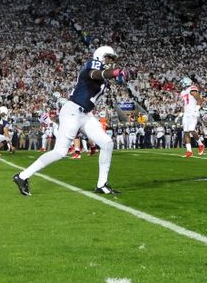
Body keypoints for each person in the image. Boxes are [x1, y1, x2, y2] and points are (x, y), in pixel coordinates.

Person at [12, 46, 129, 196]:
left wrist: (118, 76)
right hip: (73, 111)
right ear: (100, 57)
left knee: (107, 143)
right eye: (108, 58)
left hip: (86, 114)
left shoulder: (104, 75)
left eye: (112, 59)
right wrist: (115, 72)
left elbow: (106, 76)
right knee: (60, 152)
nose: (110, 62)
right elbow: (96, 74)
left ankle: (102, 184)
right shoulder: (91, 67)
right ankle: (22, 176)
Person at [178, 77, 206, 157]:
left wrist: (196, 110)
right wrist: (182, 112)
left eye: (182, 82)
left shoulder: (192, 89)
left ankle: (200, 144)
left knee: (191, 130)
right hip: (186, 113)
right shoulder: (183, 92)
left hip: (193, 113)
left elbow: (199, 100)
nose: (181, 84)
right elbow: (185, 104)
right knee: (186, 132)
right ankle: (189, 151)